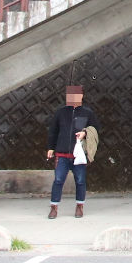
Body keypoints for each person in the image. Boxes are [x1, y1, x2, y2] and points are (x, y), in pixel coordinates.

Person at [45, 84, 95, 219]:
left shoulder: (87, 112)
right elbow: (53, 131)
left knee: (80, 180)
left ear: (81, 96)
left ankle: (80, 206)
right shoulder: (60, 112)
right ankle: (54, 207)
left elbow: (95, 129)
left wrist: (85, 132)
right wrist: (51, 147)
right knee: (58, 180)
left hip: (79, 154)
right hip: (61, 153)